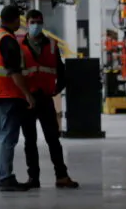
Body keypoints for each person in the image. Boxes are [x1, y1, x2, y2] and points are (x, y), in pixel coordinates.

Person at [19, 10, 80, 190]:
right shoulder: (19, 45)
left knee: (53, 138)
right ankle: (33, 178)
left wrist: (57, 88)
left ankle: (61, 176)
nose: (36, 25)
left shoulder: (52, 45)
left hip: (45, 97)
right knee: (30, 141)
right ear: (27, 23)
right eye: (32, 22)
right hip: (27, 99)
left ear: (42, 23)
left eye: (38, 22)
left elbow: (61, 71)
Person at [0, 4, 35, 192]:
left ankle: (3, 176)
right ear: (14, 20)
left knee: (2, 136)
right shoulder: (8, 40)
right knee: (8, 138)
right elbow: (14, 72)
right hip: (9, 94)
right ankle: (5, 178)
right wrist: (27, 94)